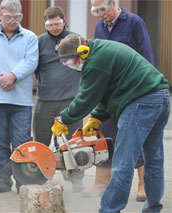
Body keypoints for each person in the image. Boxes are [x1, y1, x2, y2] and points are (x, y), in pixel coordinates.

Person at [52, 33, 169, 213]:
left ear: (82, 52)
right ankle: (153, 208)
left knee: (123, 162)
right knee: (153, 158)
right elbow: (109, 90)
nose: (70, 66)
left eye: (70, 61)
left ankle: (109, 210)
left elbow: (86, 98)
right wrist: (97, 117)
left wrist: (64, 118)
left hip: (140, 102)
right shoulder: (101, 50)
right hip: (160, 97)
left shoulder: (94, 63)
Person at [83, 0, 155, 201]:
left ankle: (143, 184)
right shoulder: (100, 26)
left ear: (114, 3)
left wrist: (144, 89)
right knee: (103, 134)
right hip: (110, 92)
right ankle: (101, 182)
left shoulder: (134, 22)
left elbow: (146, 57)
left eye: (103, 10)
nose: (99, 15)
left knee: (134, 137)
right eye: (95, 11)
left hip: (133, 91)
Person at [0, 0, 38, 194]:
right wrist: (2, 79)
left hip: (21, 100)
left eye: (17, 17)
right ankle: (3, 180)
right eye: (8, 17)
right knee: (0, 142)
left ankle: (23, 180)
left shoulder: (30, 37)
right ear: (0, 15)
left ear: (21, 16)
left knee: (21, 142)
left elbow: (31, 61)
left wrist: (13, 76)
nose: (12, 21)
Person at [33, 6, 84, 192]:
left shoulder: (76, 39)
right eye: (50, 24)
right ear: (45, 24)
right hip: (45, 100)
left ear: (64, 21)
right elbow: (34, 66)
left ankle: (77, 180)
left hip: (70, 99)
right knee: (41, 142)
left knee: (75, 142)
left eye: (57, 23)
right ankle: (40, 177)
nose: (54, 27)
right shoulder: (39, 41)